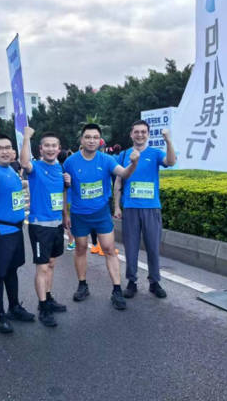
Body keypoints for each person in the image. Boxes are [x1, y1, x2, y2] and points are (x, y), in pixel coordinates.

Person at [63, 123, 140, 311]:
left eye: (95, 137)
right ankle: (82, 285)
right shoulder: (70, 162)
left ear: (100, 140)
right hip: (79, 214)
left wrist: (133, 163)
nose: (92, 140)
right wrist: (65, 213)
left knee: (109, 249)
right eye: (88, 137)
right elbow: (63, 188)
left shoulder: (106, 160)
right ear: (82, 139)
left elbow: (124, 174)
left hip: (101, 213)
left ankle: (117, 290)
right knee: (80, 248)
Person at [113, 120, 176, 299]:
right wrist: (116, 206)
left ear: (148, 134)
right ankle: (131, 282)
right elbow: (118, 181)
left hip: (151, 208)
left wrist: (168, 141)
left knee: (153, 247)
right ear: (131, 134)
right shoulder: (124, 155)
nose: (140, 135)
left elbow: (171, 162)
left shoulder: (155, 153)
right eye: (137, 132)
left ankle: (154, 282)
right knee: (131, 248)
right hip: (130, 208)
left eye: (143, 132)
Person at [0, 133, 34, 334]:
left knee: (12, 270)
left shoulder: (10, 169)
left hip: (16, 229)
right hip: (0, 232)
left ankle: (14, 307)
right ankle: (0, 315)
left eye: (8, 147)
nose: (5, 151)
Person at [20, 127, 68, 327]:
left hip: (57, 224)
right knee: (42, 267)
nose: (50, 149)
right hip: (40, 226)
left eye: (53, 146)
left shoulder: (60, 169)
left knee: (52, 263)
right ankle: (42, 307)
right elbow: (24, 162)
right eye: (46, 146)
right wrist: (26, 137)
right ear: (40, 149)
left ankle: (48, 297)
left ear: (59, 148)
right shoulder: (36, 167)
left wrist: (65, 217)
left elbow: (61, 195)